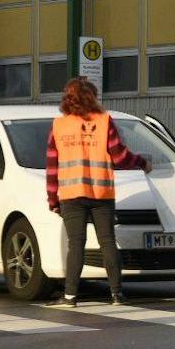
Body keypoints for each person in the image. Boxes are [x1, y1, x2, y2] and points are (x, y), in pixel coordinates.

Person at [45, 77, 151, 307]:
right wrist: (142, 163)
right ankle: (116, 295)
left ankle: (70, 296)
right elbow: (120, 156)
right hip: (101, 193)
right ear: (92, 97)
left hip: (71, 194)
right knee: (107, 242)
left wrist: (53, 199)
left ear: (68, 99)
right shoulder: (104, 122)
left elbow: (52, 166)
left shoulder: (59, 126)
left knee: (76, 245)